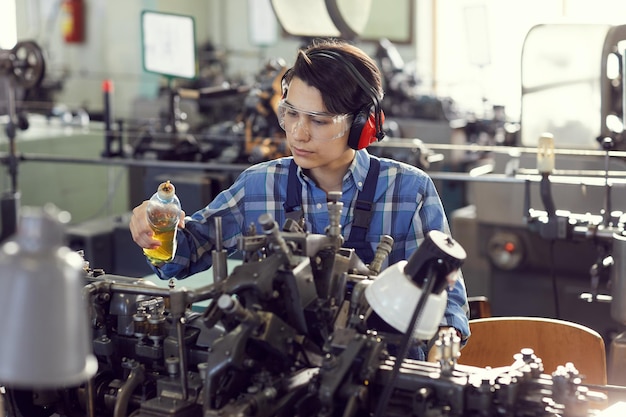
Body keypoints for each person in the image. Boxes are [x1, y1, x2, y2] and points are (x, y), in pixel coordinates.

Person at [129, 38, 470, 361]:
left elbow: (445, 298)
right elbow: (182, 258)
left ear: (362, 126)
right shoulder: (260, 185)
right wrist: (157, 227)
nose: (298, 133)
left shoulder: (408, 191)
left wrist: (443, 339)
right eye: (291, 114)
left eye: (318, 121)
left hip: (378, 379)